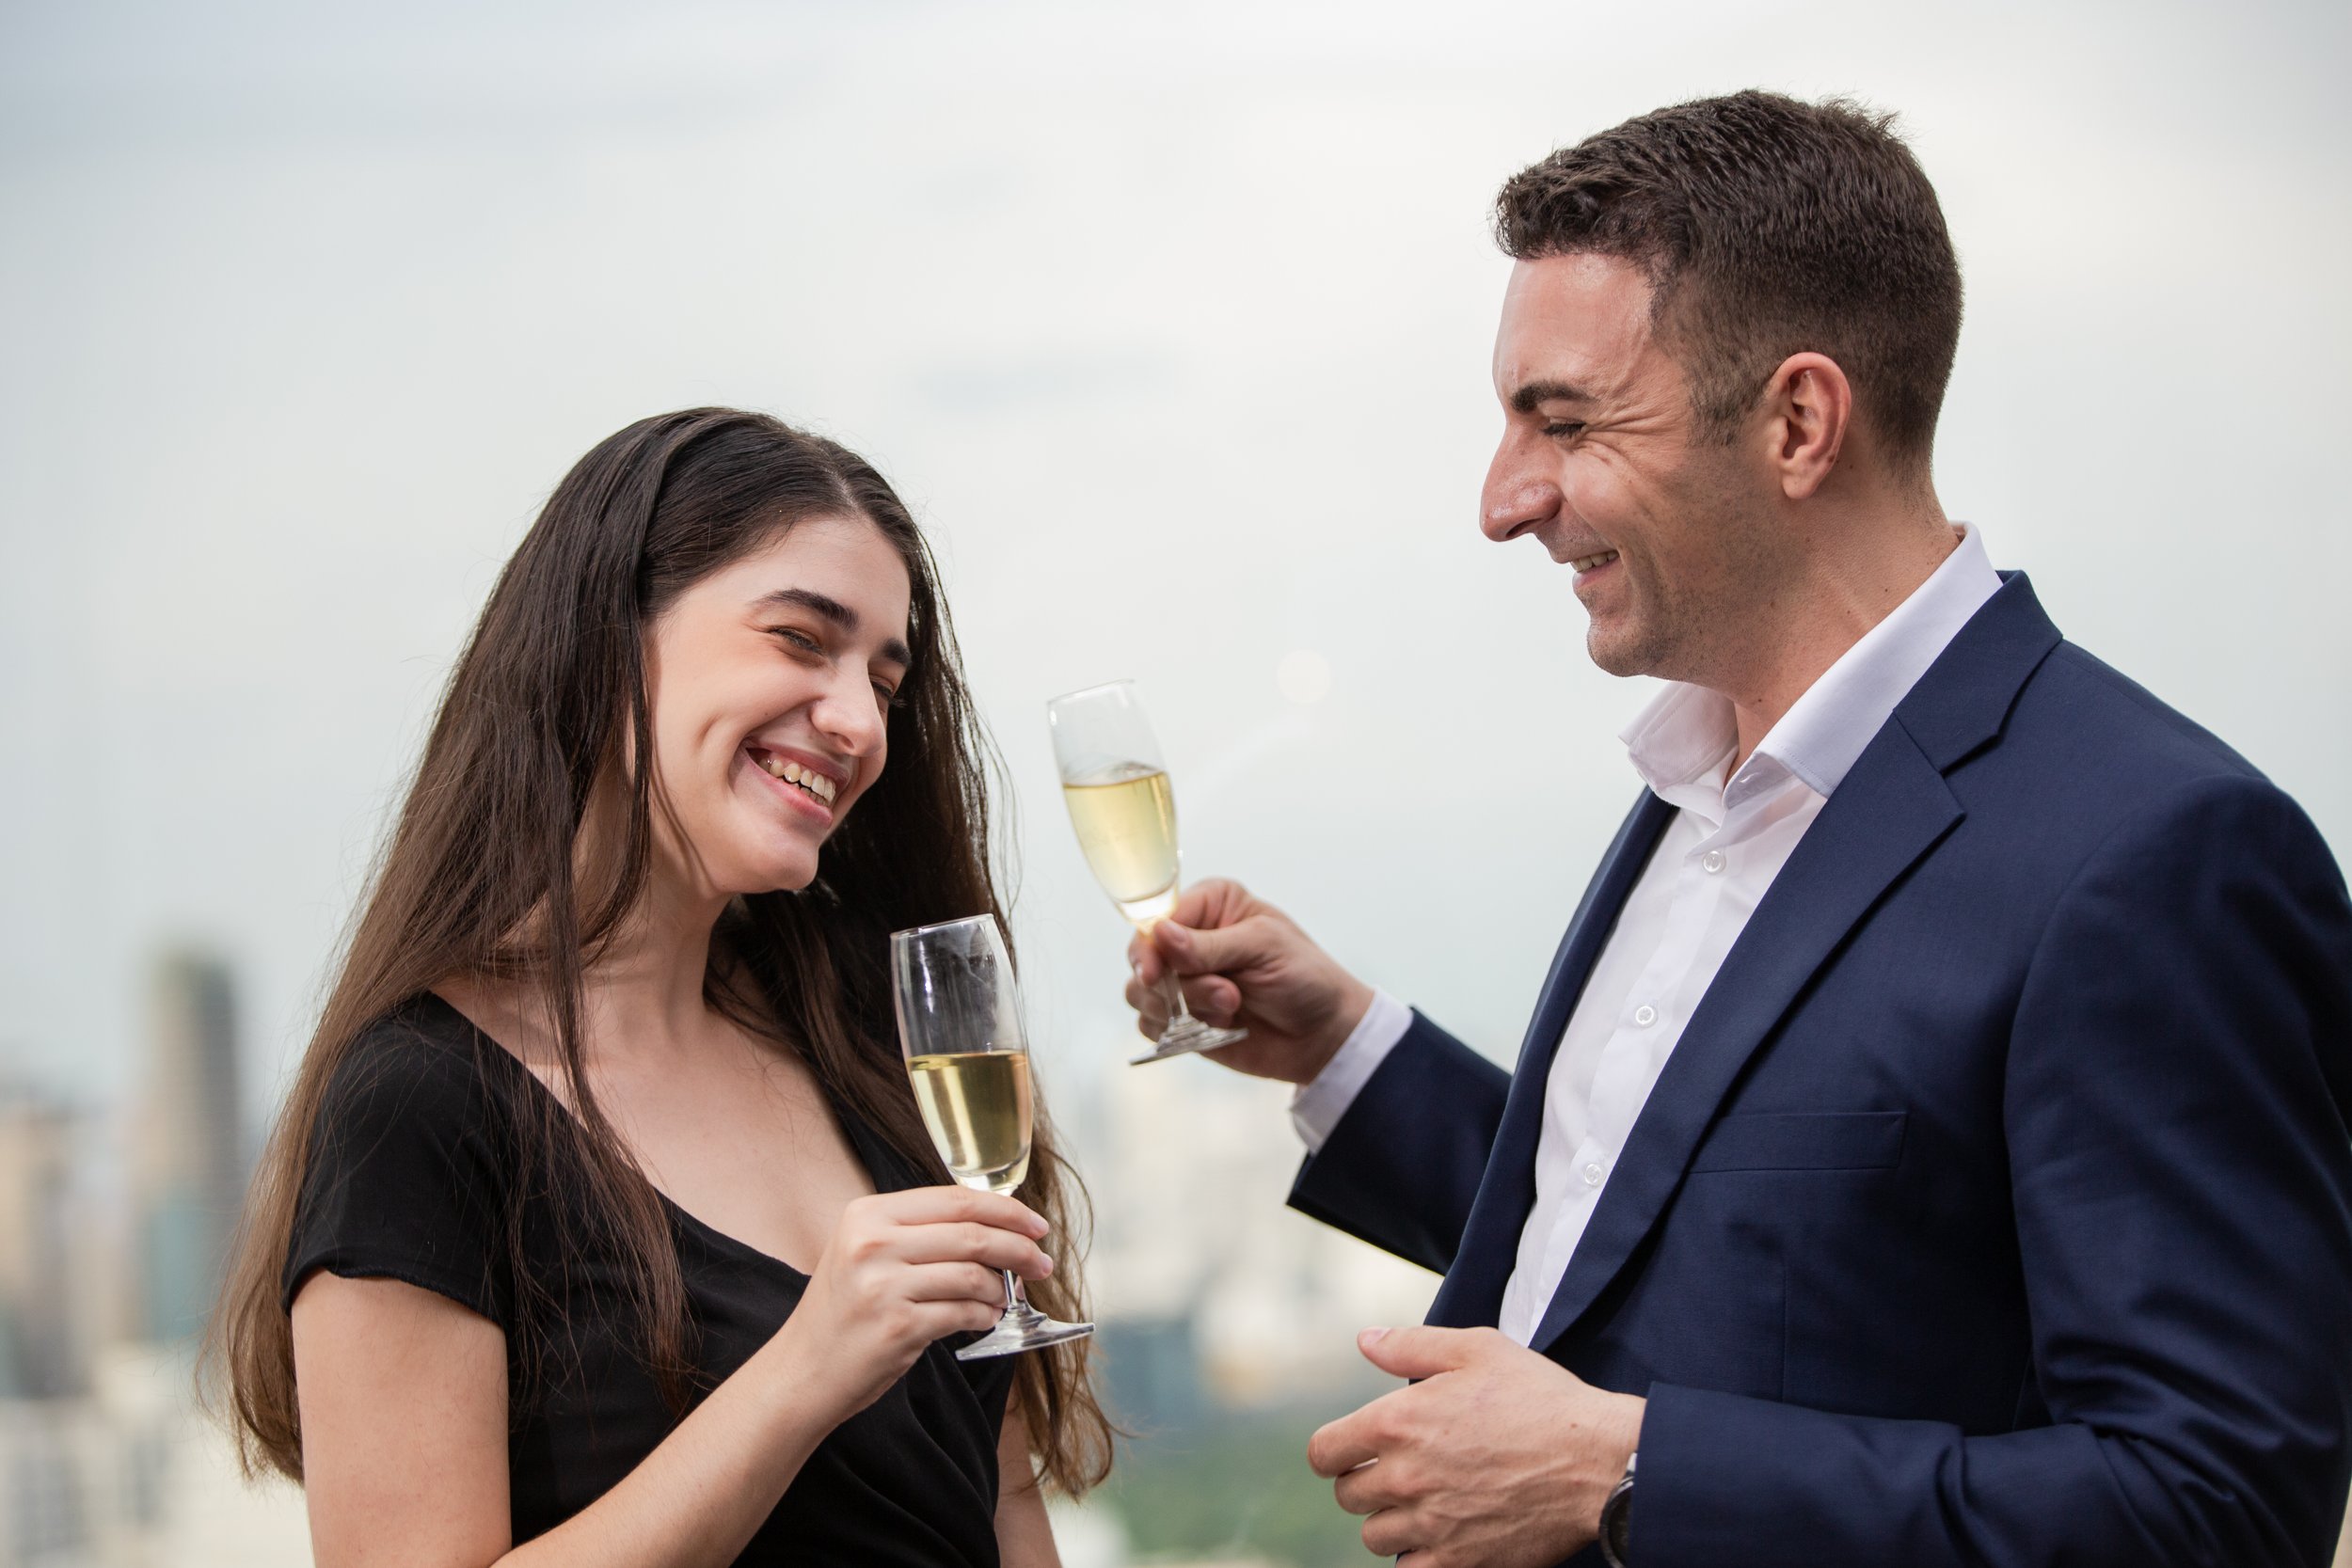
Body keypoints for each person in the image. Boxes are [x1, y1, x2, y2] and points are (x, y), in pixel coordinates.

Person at [1127, 92, 2352, 1567]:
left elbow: (2215, 1509)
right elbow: (1708, 1252)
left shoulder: (2158, 856)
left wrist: (1632, 1472)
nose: (1503, 499)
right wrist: (1346, 1047)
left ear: (1797, 422)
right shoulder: (1702, 780)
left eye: (1562, 420)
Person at [207, 409, 1107, 1566]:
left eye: (884, 680)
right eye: (798, 638)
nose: (856, 721)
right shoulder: (419, 1104)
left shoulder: (871, 1037)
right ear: (606, 639)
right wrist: (804, 1366)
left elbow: (1000, 1510)